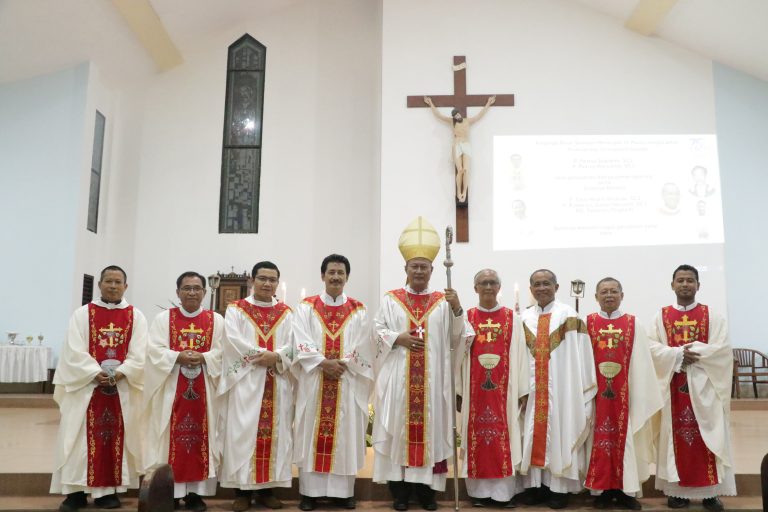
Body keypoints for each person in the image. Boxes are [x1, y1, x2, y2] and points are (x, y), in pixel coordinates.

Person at [373, 216, 473, 511]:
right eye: (414, 266)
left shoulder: (444, 300)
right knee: (399, 433)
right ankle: (400, 493)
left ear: (432, 270)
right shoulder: (391, 299)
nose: (419, 270)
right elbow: (376, 331)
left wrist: (457, 310)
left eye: (424, 267)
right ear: (405, 268)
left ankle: (427, 493)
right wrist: (396, 337)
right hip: (400, 382)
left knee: (431, 433)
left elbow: (460, 336)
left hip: (433, 385)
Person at [50, 265, 148, 512]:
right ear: (100, 284)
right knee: (76, 439)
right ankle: (75, 493)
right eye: (108, 281)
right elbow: (73, 350)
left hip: (121, 389)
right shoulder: (82, 315)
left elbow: (141, 352)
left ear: (126, 286)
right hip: (86, 389)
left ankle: (106, 492)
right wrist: (95, 373)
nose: (113, 286)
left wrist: (122, 372)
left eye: (118, 282)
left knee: (113, 438)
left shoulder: (136, 316)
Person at [648, 265, 736, 512]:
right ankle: (677, 493)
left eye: (690, 280)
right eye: (680, 280)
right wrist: (676, 355)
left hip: (705, 388)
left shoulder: (713, 316)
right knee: (674, 439)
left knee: (709, 436)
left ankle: (710, 494)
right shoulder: (660, 317)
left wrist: (693, 351)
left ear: (698, 285)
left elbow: (722, 350)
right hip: (673, 386)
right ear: (672, 285)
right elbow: (651, 348)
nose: (685, 284)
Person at [292, 254, 374, 511]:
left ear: (347, 277)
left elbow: (365, 345)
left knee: (345, 435)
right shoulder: (306, 307)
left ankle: (343, 493)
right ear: (322, 275)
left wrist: (342, 364)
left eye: (340, 272)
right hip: (315, 380)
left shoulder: (359, 309)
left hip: (346, 380)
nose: (336, 277)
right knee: (310, 433)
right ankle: (310, 493)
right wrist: (321, 362)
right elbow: (299, 338)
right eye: (331, 272)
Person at [218, 261, 296, 512]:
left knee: (275, 435)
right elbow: (232, 341)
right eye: (262, 278)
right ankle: (241, 491)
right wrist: (263, 355)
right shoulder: (236, 310)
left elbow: (295, 344)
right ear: (252, 281)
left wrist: (278, 357)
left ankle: (266, 491)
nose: (267, 284)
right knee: (242, 433)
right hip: (246, 382)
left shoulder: (287, 312)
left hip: (277, 380)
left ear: (277, 283)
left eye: (272, 280)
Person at [143, 272, 224, 511]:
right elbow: (153, 350)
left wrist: (204, 356)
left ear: (204, 292)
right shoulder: (163, 319)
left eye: (196, 288)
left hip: (205, 390)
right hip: (171, 388)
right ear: (177, 292)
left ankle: (195, 495)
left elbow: (223, 352)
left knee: (201, 437)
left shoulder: (216, 321)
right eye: (186, 288)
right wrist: (177, 355)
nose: (191, 293)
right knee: (171, 439)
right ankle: (172, 492)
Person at [517, 269, 596, 509]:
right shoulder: (523, 319)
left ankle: (559, 490)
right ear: (531, 290)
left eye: (546, 284)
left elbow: (580, 356)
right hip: (531, 391)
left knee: (560, 431)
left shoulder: (569, 317)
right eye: (537, 285)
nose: (542, 288)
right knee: (530, 433)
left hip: (561, 391)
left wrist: (577, 388)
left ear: (556, 287)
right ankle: (536, 487)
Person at [584, 278, 663, 510]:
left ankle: (626, 491)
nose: (609, 295)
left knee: (626, 438)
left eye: (614, 291)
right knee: (599, 439)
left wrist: (638, 391)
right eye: (604, 292)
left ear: (622, 294)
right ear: (596, 296)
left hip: (627, 394)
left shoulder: (633, 323)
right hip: (598, 394)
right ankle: (602, 491)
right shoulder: (588, 323)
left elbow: (642, 362)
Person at [458, 269, 529, 507]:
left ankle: (503, 494)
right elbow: (457, 356)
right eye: (483, 283)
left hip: (504, 394)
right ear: (475, 288)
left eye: (492, 283)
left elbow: (521, 355)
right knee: (476, 438)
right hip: (474, 392)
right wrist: (459, 389)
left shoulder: (512, 319)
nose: (488, 287)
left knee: (504, 437)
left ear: (499, 288)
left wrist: (522, 389)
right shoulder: (466, 318)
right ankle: (478, 494)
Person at [424, 95, 495, 203]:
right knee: (460, 170)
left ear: (459, 114)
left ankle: (464, 192)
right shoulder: (451, 122)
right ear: (454, 117)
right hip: (457, 145)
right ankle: (458, 192)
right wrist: (430, 103)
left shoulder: (467, 121)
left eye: (457, 114)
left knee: (466, 170)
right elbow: (439, 115)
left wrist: (488, 103)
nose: (457, 116)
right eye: (455, 116)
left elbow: (480, 115)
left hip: (466, 145)